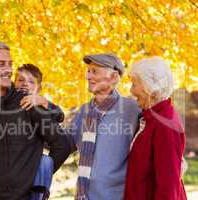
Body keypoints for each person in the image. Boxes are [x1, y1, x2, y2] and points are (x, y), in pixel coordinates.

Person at [0, 40, 71, 200]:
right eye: (0, 64)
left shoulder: (29, 103)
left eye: (9, 64)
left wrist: (36, 176)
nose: (8, 70)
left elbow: (62, 145)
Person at [67, 53, 141, 200]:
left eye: (95, 71)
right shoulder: (84, 111)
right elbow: (63, 143)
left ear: (114, 77)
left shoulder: (132, 109)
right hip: (84, 195)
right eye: (88, 71)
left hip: (117, 196)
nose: (88, 76)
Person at [124, 57, 187, 200]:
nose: (131, 90)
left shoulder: (165, 124)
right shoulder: (150, 118)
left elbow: (168, 187)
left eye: (134, 84)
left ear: (150, 88)